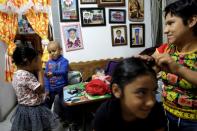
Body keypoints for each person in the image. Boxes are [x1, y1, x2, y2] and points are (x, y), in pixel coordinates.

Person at [136, 0, 197, 130]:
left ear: (191, 21)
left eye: (171, 23)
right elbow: (153, 67)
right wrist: (145, 63)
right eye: (165, 24)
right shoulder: (167, 48)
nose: (165, 30)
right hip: (167, 114)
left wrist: (178, 68)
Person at [93, 58, 167, 131]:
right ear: (117, 91)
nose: (151, 102)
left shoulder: (156, 110)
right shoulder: (105, 114)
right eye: (141, 92)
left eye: (154, 91)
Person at [11, 46, 58, 131]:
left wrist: (43, 95)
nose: (37, 63)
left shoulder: (16, 74)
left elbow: (28, 92)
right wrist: (40, 70)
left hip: (22, 109)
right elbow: (41, 89)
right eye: (36, 61)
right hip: (34, 110)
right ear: (27, 61)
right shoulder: (26, 75)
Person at [44, 41, 69, 116]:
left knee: (64, 104)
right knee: (46, 103)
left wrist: (53, 73)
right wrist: (47, 89)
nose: (52, 53)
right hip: (52, 88)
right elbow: (46, 77)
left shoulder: (64, 61)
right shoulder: (48, 63)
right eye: (50, 52)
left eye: (54, 51)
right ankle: (47, 119)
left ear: (60, 50)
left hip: (62, 87)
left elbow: (64, 71)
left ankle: (67, 119)